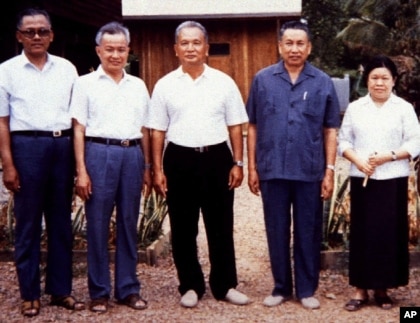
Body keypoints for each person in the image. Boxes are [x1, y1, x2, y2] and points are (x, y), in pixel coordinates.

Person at [147, 20, 249, 308]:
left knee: (220, 225)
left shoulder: (223, 82)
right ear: (176, 49)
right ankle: (190, 285)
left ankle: (225, 284)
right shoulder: (165, 85)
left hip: (217, 158)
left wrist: (237, 162)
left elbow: (234, 126)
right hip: (179, 160)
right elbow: (157, 130)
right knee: (182, 227)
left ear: (206, 48)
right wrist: (157, 169)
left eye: (196, 43)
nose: (190, 48)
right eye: (185, 43)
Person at [246, 20, 341, 309]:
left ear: (309, 47)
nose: (295, 48)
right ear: (280, 46)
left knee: (308, 230)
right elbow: (252, 125)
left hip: (309, 170)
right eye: (289, 43)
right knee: (276, 229)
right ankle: (280, 287)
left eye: (301, 43)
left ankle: (307, 289)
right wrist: (252, 167)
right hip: (272, 169)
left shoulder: (323, 82)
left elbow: (330, 130)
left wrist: (329, 170)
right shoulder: (263, 79)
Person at [0, 8, 84, 317]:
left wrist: (78, 164)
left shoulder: (66, 69)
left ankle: (60, 290)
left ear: (52, 35)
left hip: (60, 145)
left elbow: (78, 119)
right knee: (28, 224)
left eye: (43, 31)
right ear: (19, 35)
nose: (37, 36)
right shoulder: (6, 71)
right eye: (30, 31)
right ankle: (29, 293)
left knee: (61, 222)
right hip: (26, 147)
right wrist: (8, 165)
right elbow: (1, 122)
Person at [70, 21, 151, 313]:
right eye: (109, 49)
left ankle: (128, 288)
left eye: (120, 49)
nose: (115, 55)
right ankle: (99, 291)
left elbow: (145, 128)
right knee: (98, 225)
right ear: (98, 50)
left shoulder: (138, 85)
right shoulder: (84, 83)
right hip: (98, 152)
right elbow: (78, 128)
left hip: (131, 155)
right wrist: (81, 169)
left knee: (129, 222)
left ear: (129, 51)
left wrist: (148, 166)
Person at [339, 55, 420, 311]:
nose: (379, 83)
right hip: (363, 179)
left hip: (392, 179)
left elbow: (415, 142)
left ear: (393, 81)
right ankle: (360, 290)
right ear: (367, 80)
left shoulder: (403, 108)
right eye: (374, 77)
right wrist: (358, 161)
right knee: (363, 234)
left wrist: (390, 155)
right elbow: (343, 141)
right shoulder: (355, 108)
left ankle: (383, 289)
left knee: (387, 235)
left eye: (385, 78)